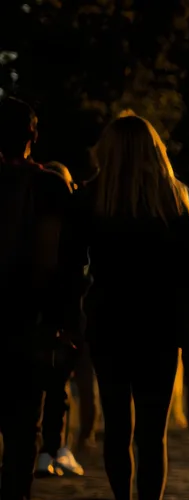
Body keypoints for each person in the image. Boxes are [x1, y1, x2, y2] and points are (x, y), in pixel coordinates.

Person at [61, 112, 189, 500]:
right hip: (159, 325)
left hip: (109, 321)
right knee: (152, 433)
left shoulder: (90, 198)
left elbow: (69, 264)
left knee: (117, 425)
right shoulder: (172, 198)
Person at [0, 97, 74, 500]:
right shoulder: (49, 186)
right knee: (23, 423)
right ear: (33, 136)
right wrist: (63, 321)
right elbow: (65, 264)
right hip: (29, 320)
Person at [33, 161, 90, 477]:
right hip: (61, 315)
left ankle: (48, 449)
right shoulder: (69, 225)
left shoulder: (29, 219)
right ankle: (52, 448)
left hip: (31, 312)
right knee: (58, 386)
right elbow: (75, 274)